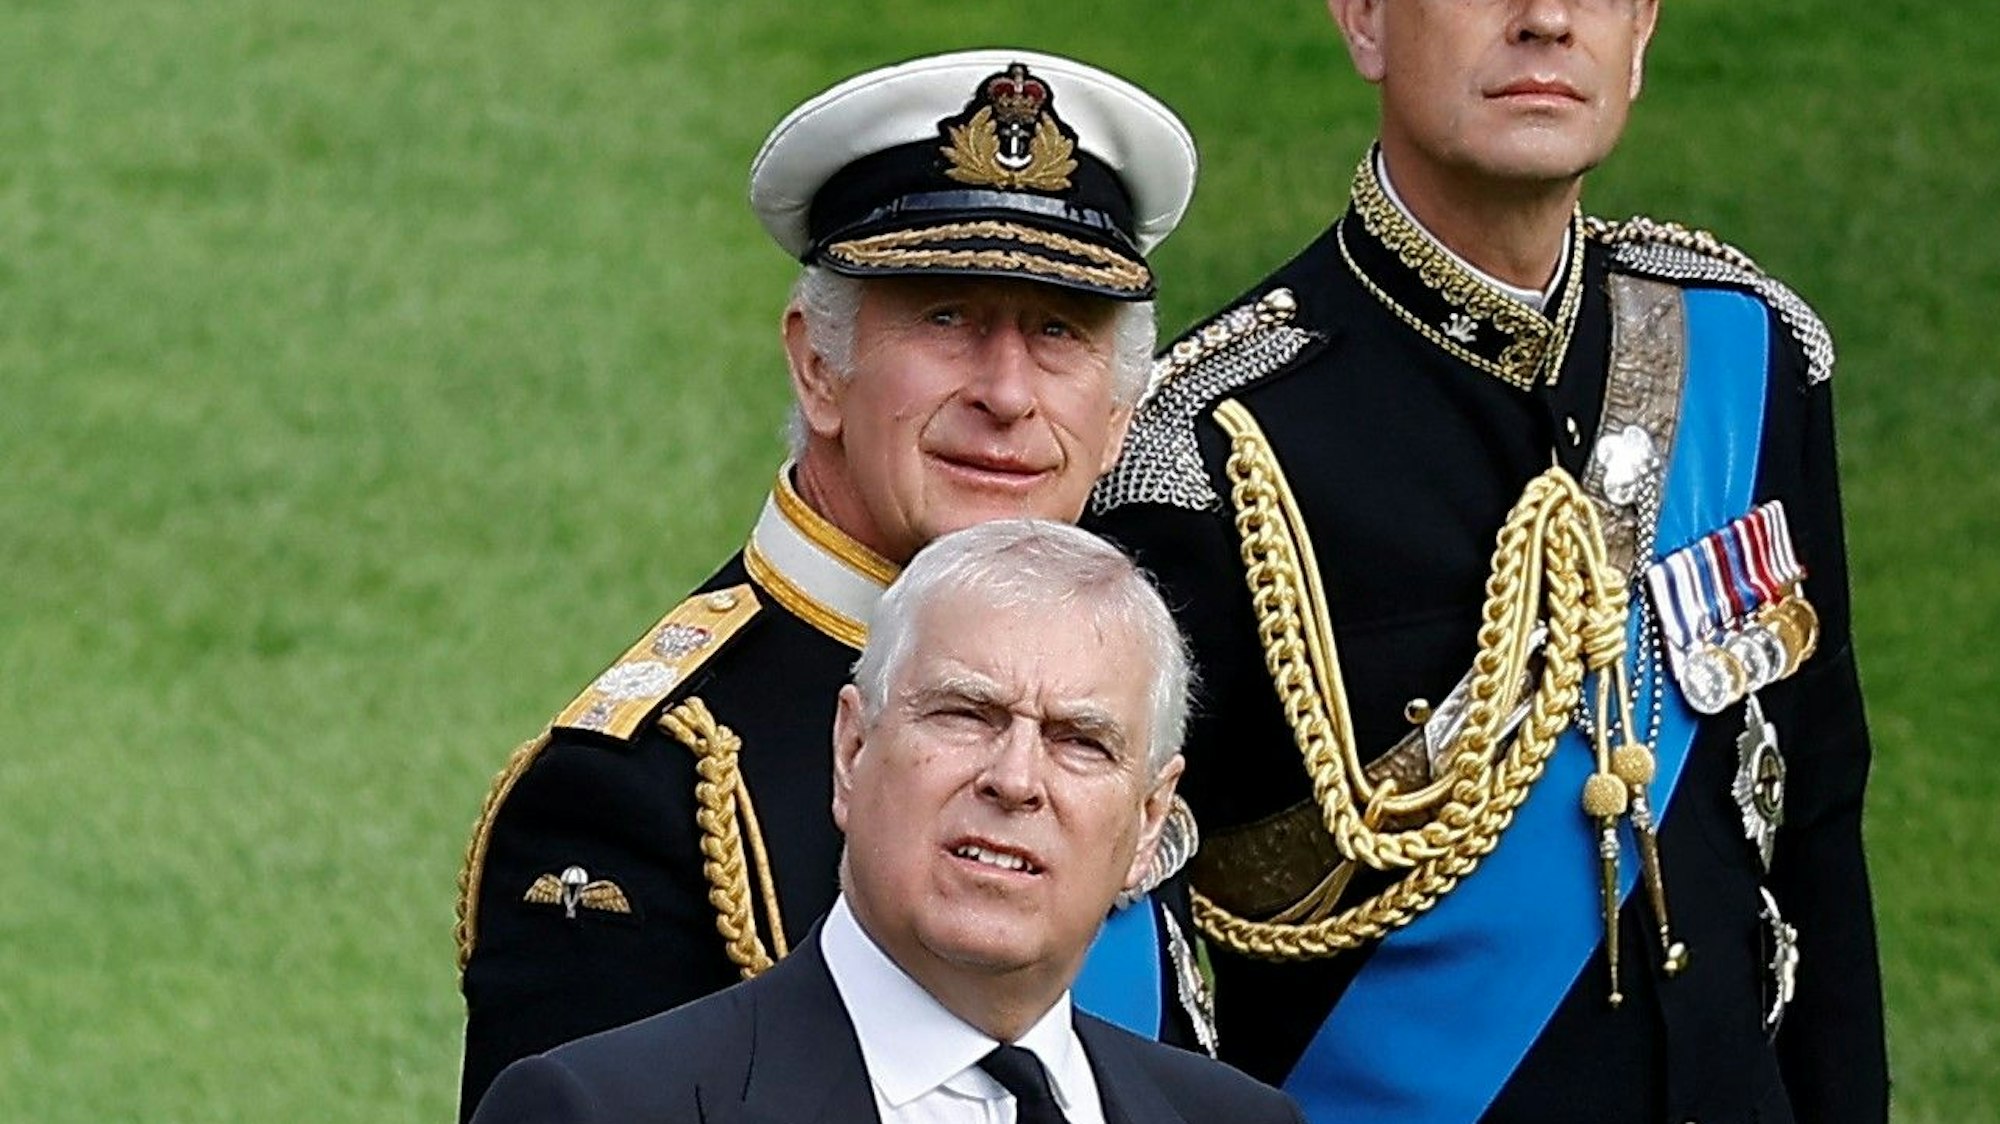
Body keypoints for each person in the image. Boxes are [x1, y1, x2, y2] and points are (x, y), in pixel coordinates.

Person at [1086, 1, 1886, 1121]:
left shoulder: (1745, 352)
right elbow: (1121, 940)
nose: (1546, 20)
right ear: (1363, 21)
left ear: (1642, 32)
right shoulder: (1208, 451)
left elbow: (1813, 817)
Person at [455, 50, 1210, 1118]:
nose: (1004, 392)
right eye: (946, 318)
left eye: (1057, 334)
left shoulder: (1128, 700)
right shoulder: (637, 784)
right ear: (818, 366)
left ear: (1120, 407)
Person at [468, 520, 1304, 1124]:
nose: (1016, 780)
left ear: (1150, 819)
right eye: (965, 715)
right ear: (853, 750)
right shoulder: (601, 1110)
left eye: (1079, 742)